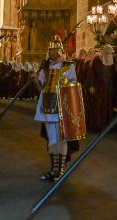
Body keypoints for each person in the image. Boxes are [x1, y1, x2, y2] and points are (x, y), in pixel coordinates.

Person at [35, 35, 77, 182]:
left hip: (61, 106)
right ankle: (53, 169)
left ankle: (60, 170)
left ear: (60, 50)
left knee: (61, 138)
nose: (51, 52)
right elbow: (41, 86)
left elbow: (73, 87)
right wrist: (35, 79)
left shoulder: (68, 66)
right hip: (46, 104)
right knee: (52, 139)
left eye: (54, 49)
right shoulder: (45, 67)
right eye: (50, 49)